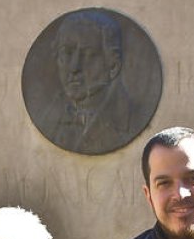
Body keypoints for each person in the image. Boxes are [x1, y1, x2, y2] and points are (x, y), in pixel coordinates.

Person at [48, 10, 139, 154]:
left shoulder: (130, 118)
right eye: (67, 53)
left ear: (113, 65)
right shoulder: (49, 117)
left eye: (88, 54)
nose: (74, 67)